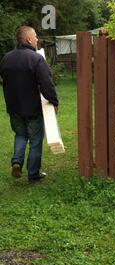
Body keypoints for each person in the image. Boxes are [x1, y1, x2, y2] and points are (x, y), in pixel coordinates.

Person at [0, 26, 59, 182]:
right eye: (35, 36)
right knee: (35, 140)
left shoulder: (6, 58)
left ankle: (17, 162)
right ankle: (33, 174)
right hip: (32, 108)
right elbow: (47, 84)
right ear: (28, 39)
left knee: (20, 134)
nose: (37, 39)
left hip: (14, 108)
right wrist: (54, 101)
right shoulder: (36, 59)